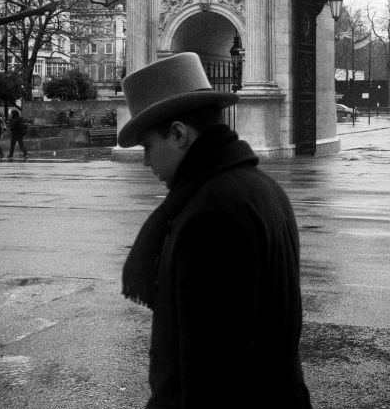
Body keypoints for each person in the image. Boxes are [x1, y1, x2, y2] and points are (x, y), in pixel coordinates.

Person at [119, 53, 312, 408]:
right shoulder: (262, 187)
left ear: (178, 134)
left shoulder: (210, 214)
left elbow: (215, 374)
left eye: (148, 146)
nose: (145, 161)